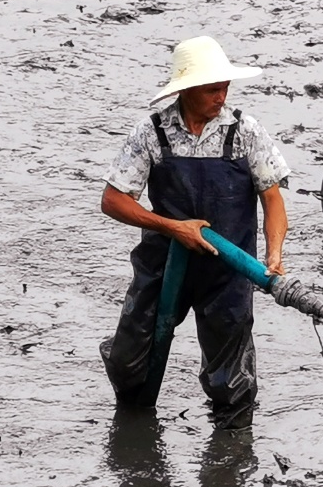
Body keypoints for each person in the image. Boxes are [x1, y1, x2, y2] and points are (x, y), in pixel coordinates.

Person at [100, 36, 291, 430]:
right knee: (127, 362)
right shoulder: (152, 132)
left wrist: (273, 254)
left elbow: (272, 200)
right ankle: (134, 435)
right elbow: (114, 200)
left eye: (224, 87)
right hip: (162, 263)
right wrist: (172, 227)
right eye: (211, 89)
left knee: (233, 382)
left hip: (227, 270)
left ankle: (230, 461)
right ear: (186, 90)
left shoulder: (245, 132)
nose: (221, 97)